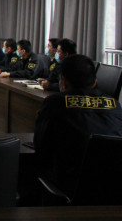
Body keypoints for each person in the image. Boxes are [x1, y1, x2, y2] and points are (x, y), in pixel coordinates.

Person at [34, 54, 122, 194]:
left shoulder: (55, 102)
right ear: (95, 82)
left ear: (63, 82)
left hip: (69, 189)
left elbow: (41, 145)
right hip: (112, 190)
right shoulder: (115, 105)